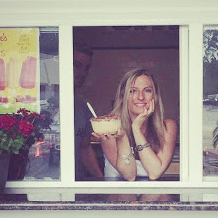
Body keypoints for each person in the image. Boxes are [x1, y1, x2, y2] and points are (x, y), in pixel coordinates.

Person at [92, 69, 177, 181]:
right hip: (118, 192)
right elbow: (129, 176)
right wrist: (122, 138)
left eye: (147, 90)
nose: (140, 97)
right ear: (123, 96)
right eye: (133, 91)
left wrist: (136, 129)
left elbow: (154, 172)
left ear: (155, 96)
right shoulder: (110, 127)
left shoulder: (167, 126)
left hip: (152, 192)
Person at [74, 47, 104, 180]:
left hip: (75, 182)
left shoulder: (81, 104)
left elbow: (84, 148)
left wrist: (101, 180)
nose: (82, 73)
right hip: (46, 184)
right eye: (77, 65)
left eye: (86, 68)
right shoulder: (48, 103)